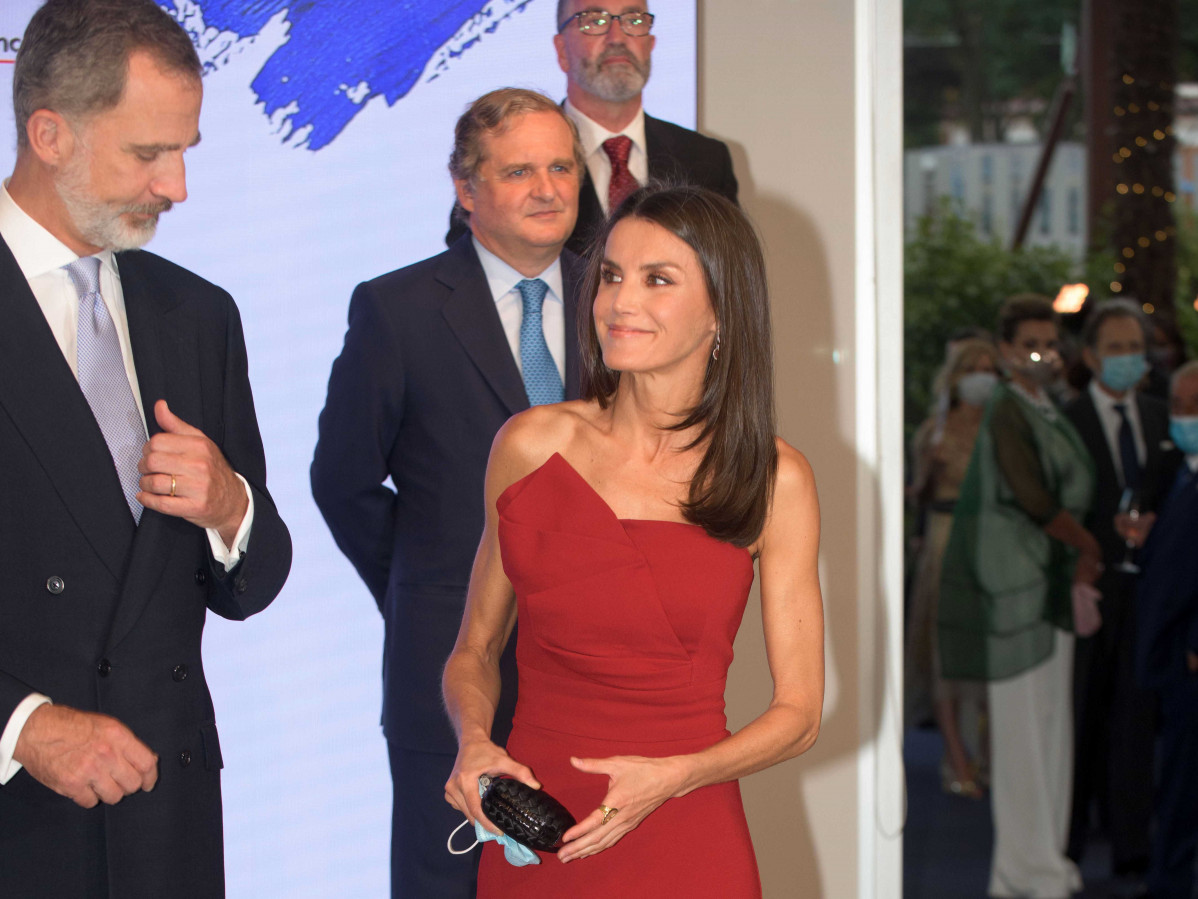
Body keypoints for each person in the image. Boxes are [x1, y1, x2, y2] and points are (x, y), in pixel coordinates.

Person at [442, 185, 824, 897]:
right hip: (539, 822)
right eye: (612, 275)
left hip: (685, 822)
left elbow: (798, 715)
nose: (620, 302)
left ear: (721, 311)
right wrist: (473, 742)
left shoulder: (774, 478)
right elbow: (474, 649)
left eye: (658, 279)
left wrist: (676, 774)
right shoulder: (529, 445)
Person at [0, 1, 293, 895]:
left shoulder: (198, 313)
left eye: (186, 150)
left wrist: (229, 506)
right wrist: (21, 728)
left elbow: (258, 576)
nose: (177, 187)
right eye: (147, 153)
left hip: (167, 822)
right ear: (49, 133)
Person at [310, 88, 586, 898]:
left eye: (562, 166)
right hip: (449, 670)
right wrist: (425, 587)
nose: (548, 188)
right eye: (519, 171)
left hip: (595, 674)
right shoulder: (396, 310)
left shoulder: (621, 304)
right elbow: (344, 479)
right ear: (466, 191)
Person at [940, 295, 1101, 899]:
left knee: (1051, 728)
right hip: (1014, 585)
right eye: (1030, 343)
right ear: (1006, 351)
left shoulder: (1046, 406)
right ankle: (1022, 871)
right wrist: (1087, 545)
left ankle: (1045, 861)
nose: (1043, 353)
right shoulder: (1009, 407)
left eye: (1051, 342)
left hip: (1049, 581)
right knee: (1022, 736)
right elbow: (1033, 496)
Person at [446, 1, 738, 255]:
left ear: (650, 45)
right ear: (561, 50)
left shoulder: (705, 160)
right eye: (594, 21)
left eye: (633, 20)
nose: (617, 37)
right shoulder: (505, 152)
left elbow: (727, 277)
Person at [1063, 299, 1173, 879]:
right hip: (1085, 593)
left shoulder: (1162, 418)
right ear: (1090, 355)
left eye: (1137, 348)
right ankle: (1070, 847)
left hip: (1147, 594)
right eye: (1117, 348)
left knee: (1136, 720)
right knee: (1080, 718)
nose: (1129, 359)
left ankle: (1132, 850)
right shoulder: (1067, 419)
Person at [905, 337, 999, 798]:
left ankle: (987, 758)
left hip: (990, 542)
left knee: (989, 655)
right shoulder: (934, 431)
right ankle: (956, 759)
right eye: (973, 369)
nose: (982, 377)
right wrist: (927, 471)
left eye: (989, 369)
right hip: (944, 540)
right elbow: (914, 495)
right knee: (945, 655)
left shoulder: (1005, 431)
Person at [1135, 360, 1198, 899]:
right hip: (1173, 651)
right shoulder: (1180, 472)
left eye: (1192, 408)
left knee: (1184, 783)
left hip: (1190, 651)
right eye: (1177, 406)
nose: (1182, 418)